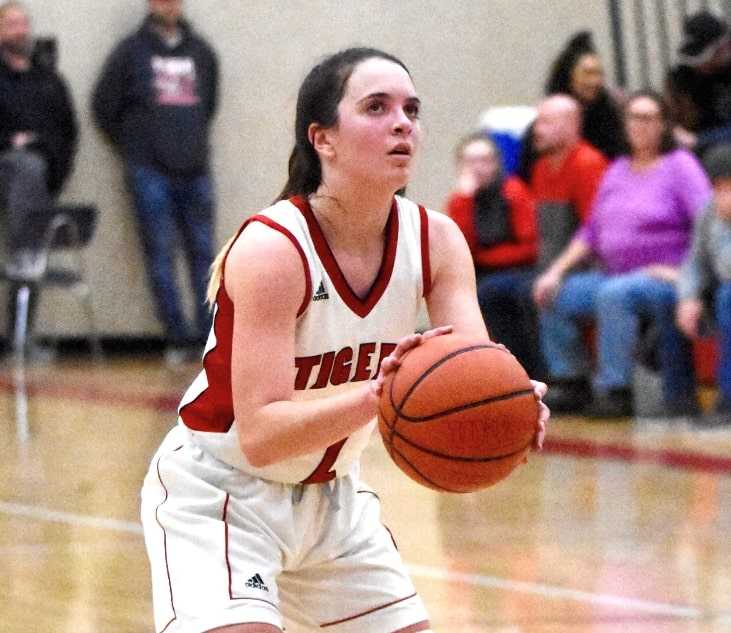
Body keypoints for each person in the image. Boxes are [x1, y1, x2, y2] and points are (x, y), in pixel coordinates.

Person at [139, 47, 549, 633]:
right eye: (376, 107)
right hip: (221, 494)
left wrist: (509, 402)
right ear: (323, 139)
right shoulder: (274, 249)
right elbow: (261, 437)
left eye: (411, 108)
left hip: (334, 501)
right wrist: (376, 398)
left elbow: (469, 370)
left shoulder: (437, 240)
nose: (402, 122)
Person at [534, 90, 712, 418]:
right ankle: (571, 380)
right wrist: (556, 271)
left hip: (664, 275)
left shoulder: (680, 166)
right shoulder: (617, 169)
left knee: (615, 295)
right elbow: (591, 230)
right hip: (613, 271)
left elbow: (707, 225)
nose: (639, 125)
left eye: (647, 118)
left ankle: (616, 390)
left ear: (663, 125)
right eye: (633, 117)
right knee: (554, 294)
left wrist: (683, 275)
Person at [92, 0, 218, 364]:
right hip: (149, 170)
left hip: (195, 168)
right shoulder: (129, 52)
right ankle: (177, 338)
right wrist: (137, 147)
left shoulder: (201, 52)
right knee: (161, 254)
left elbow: (208, 102)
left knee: (205, 256)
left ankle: (207, 336)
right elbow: (104, 106)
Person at [0, 0, 77, 357]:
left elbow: (67, 131)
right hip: (6, 169)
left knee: (28, 246)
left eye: (23, 24)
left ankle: (20, 336)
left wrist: (46, 157)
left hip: (38, 181)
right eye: (12, 24)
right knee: (21, 164)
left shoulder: (48, 80)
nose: (21, 31)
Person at [445, 132, 544, 378]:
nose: (478, 168)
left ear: (497, 163)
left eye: (485, 160)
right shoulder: (461, 199)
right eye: (471, 161)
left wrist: (484, 258)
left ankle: (515, 370)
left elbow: (530, 248)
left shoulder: (514, 192)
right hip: (477, 272)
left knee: (491, 294)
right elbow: (459, 247)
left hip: (519, 271)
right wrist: (464, 200)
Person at [517, 30, 624, 181]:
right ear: (568, 76)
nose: (595, 81)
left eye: (599, 74)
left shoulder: (611, 121)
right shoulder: (540, 131)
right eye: (588, 73)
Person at [676, 143, 731, 427]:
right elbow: (694, 262)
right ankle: (677, 399)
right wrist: (688, 297)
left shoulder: (721, 214)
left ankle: (728, 400)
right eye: (718, 186)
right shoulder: (709, 210)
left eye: (729, 185)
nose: (723, 194)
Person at [529, 94, 608, 272]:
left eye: (546, 122)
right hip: (546, 266)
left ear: (571, 125)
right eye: (537, 122)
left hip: (582, 268)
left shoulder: (588, 164)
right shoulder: (541, 167)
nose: (537, 130)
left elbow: (595, 230)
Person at [665, 10, 731, 155]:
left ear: (725, 46)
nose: (699, 65)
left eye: (705, 57)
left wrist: (699, 140)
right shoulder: (683, 77)